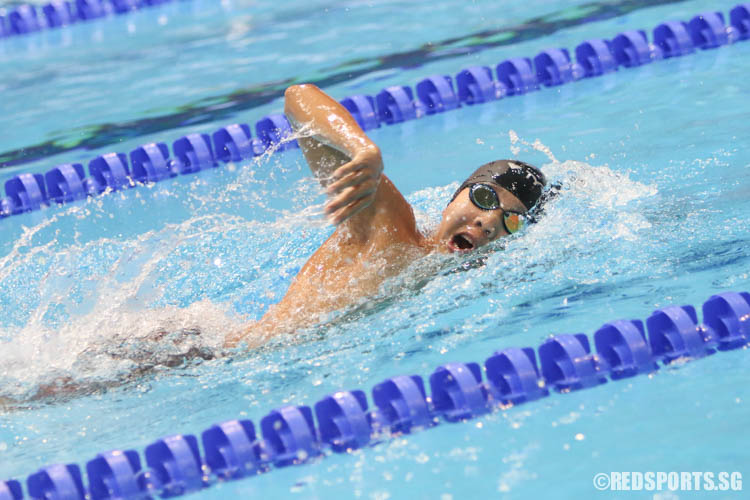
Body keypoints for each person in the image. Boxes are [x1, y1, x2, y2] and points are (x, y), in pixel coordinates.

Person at [226, 84, 548, 347]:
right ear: (452, 199)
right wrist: (362, 149)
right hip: (206, 355)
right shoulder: (393, 230)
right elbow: (297, 98)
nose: (488, 222)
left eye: (512, 220)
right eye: (483, 197)